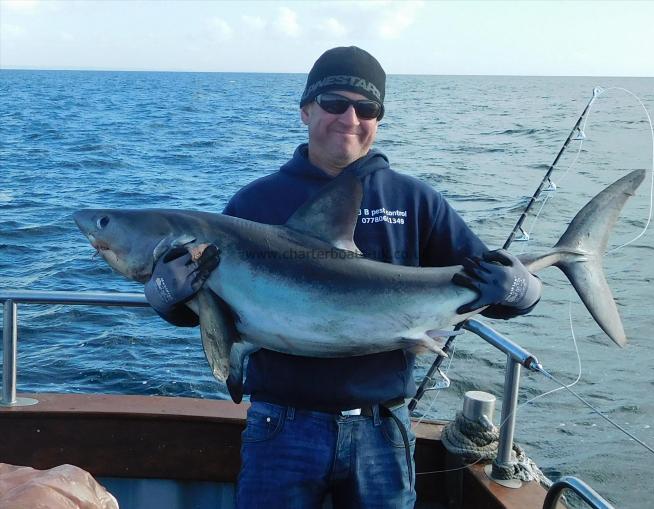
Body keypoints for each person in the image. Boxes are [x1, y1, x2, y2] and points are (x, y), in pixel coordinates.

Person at [145, 46, 542, 509]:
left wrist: (521, 287)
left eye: (366, 107)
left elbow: (497, 291)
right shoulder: (254, 205)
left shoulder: (415, 200)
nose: (350, 117)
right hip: (282, 425)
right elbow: (201, 313)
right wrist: (165, 293)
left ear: (378, 118)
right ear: (306, 110)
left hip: (383, 427)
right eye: (335, 103)